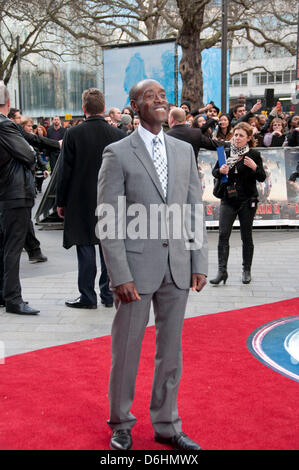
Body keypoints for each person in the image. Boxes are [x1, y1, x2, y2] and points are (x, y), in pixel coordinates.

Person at [98, 79, 208, 451]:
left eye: (163, 96)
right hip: (135, 271)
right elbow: (109, 219)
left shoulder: (182, 150)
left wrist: (199, 260)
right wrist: (119, 274)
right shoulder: (117, 153)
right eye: (150, 96)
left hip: (177, 268)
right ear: (133, 106)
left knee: (171, 351)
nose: (160, 100)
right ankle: (121, 423)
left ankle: (166, 423)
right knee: (126, 350)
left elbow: (194, 208)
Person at [56, 88, 124, 309]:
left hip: (81, 199)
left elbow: (64, 171)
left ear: (83, 108)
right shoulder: (118, 135)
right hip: (111, 199)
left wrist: (61, 201)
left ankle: (87, 295)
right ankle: (107, 294)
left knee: (85, 246)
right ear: (104, 108)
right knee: (108, 247)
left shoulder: (73, 134)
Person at [210, 122, 266, 286]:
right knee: (223, 234)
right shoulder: (224, 152)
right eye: (235, 135)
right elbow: (214, 171)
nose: (237, 138)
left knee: (246, 235)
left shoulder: (254, 154)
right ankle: (222, 271)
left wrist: (255, 168)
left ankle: (246, 270)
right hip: (228, 199)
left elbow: (262, 177)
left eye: (241, 135)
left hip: (247, 200)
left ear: (249, 138)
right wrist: (220, 171)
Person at [0, 82, 40, 314]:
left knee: (5, 246)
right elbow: (28, 154)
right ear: (8, 102)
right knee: (13, 247)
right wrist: (32, 154)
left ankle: (6, 295)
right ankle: (14, 298)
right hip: (15, 194)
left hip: (7, 193)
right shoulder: (5, 125)